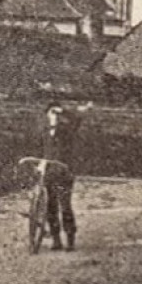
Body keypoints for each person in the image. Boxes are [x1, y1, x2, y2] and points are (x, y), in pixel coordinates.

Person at [42, 102, 80, 251]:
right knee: (50, 206)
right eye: (51, 114)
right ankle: (56, 240)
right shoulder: (44, 131)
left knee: (65, 206)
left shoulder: (66, 130)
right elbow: (42, 151)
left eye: (56, 115)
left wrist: (63, 111)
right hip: (49, 173)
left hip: (64, 172)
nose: (54, 117)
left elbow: (77, 120)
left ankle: (70, 240)